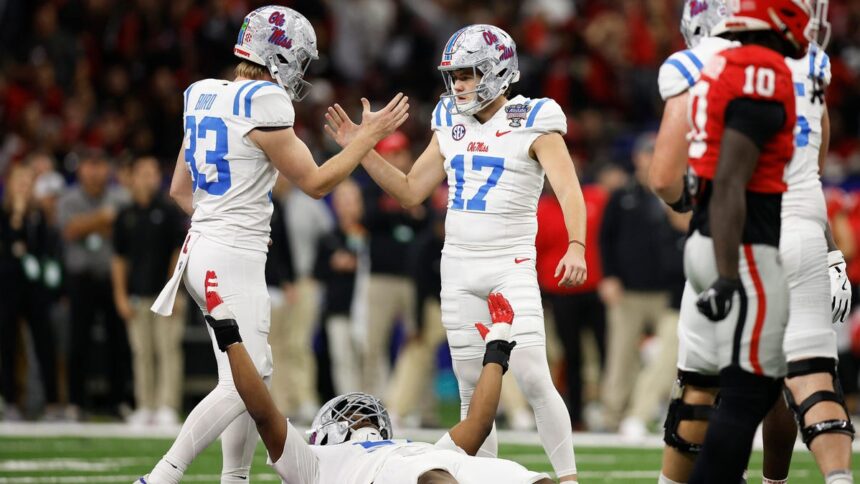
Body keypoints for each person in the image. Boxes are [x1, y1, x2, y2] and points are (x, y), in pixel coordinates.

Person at [139, 5, 409, 483]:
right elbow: (318, 182)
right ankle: (162, 475)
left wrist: (220, 221)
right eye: (298, 60)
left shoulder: (203, 94)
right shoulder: (262, 100)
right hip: (233, 255)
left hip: (202, 248)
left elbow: (181, 190)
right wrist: (367, 137)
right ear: (278, 57)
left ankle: (235, 478)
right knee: (247, 379)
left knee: (248, 378)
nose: (300, 73)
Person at [325, 24, 585, 482]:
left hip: (511, 263)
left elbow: (568, 191)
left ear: (496, 71)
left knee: (532, 377)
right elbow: (410, 191)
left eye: (467, 75)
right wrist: (361, 148)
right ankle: (484, 478)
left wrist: (577, 244)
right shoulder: (450, 120)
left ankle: (568, 479)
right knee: (471, 386)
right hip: (459, 263)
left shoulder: (535, 118)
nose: (458, 85)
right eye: (455, 76)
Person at [650, 1, 855, 482]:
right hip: (803, 228)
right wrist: (830, 250)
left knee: (704, 385)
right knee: (808, 374)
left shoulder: (699, 63)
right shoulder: (812, 63)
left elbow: (663, 176)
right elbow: (817, 163)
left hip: (726, 233)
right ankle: (822, 478)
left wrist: (689, 201)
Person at [200, 279, 553, 484]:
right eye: (354, 417)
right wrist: (229, 335)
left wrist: (498, 346)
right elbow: (262, 409)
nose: (360, 418)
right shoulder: (313, 463)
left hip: (451, 469)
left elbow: (479, 421)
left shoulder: (419, 447)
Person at [596, 133, 682, 432]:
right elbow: (604, 238)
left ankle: (659, 412)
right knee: (621, 356)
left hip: (667, 291)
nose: (651, 158)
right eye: (647, 153)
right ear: (637, 158)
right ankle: (613, 416)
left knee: (673, 356)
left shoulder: (674, 193)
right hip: (628, 290)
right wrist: (608, 277)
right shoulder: (622, 195)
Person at [112, 156, 186, 427]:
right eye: (143, 172)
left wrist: (174, 291)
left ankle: (166, 404)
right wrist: (120, 295)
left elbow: (179, 253)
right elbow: (119, 259)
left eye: (154, 172)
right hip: (136, 294)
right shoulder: (124, 215)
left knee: (167, 350)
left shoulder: (169, 211)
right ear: (131, 177)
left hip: (165, 294)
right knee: (141, 351)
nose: (150, 178)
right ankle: (145, 404)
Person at [58, 149, 131, 418]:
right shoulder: (69, 198)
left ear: (108, 169)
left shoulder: (120, 196)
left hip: (113, 278)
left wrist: (86, 225)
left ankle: (118, 401)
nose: (95, 170)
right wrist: (101, 219)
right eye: (90, 164)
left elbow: (123, 230)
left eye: (100, 164)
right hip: (81, 278)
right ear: (81, 170)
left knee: (118, 342)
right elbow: (69, 230)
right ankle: (77, 402)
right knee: (79, 341)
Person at [0, 164, 61, 420]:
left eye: (28, 182)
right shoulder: (5, 214)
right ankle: (10, 401)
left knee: (45, 342)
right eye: (20, 182)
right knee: (7, 344)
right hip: (8, 286)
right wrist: (16, 215)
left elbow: (45, 246)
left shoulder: (38, 215)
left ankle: (52, 404)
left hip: (35, 288)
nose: (24, 187)